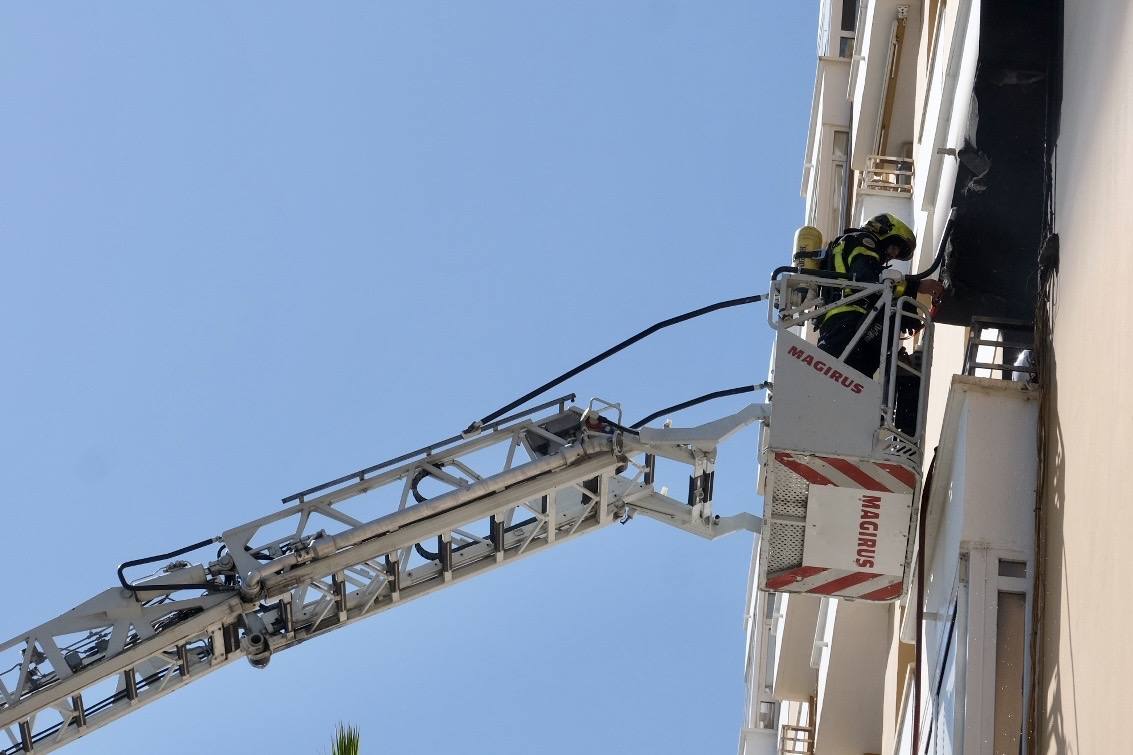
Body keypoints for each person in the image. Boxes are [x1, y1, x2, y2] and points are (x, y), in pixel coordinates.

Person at [816, 213, 944, 378]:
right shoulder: (862, 240)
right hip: (849, 319)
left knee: (854, 381)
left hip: (838, 323)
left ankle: (899, 373)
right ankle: (901, 373)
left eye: (896, 253)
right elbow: (868, 277)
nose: (892, 254)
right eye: (893, 247)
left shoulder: (844, 245)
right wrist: (918, 286)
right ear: (883, 231)